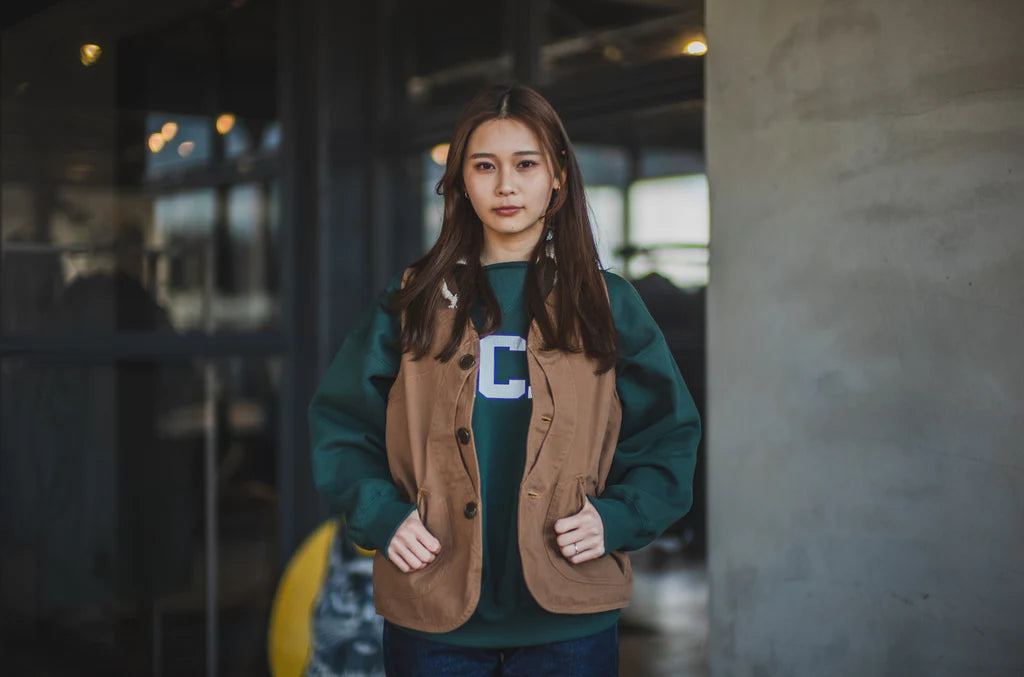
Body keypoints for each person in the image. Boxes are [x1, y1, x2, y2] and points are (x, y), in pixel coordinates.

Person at [309, 83, 701, 677]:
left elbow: (669, 432)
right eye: (484, 166)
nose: (505, 185)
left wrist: (619, 516)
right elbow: (341, 423)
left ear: (559, 176)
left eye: (526, 164)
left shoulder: (606, 303)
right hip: (431, 613)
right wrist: (381, 515)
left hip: (571, 617)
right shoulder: (412, 300)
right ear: (461, 181)